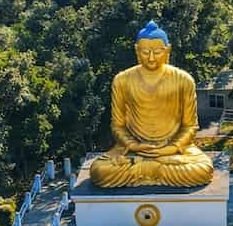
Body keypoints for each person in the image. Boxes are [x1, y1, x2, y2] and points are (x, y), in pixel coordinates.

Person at [90, 21, 214, 188]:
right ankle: (154, 168)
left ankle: (144, 168)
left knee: (203, 170)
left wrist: (171, 148)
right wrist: (133, 145)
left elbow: (190, 126)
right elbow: (118, 126)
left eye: (157, 52)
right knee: (99, 172)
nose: (151, 58)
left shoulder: (183, 80)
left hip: (173, 151)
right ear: (136, 50)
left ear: (167, 50)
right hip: (133, 151)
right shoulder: (122, 80)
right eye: (145, 52)